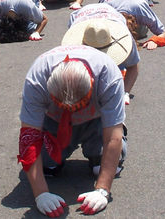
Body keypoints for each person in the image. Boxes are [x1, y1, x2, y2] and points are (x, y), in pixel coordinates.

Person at [17, 45, 126, 217]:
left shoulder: (109, 77)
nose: (73, 111)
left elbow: (113, 137)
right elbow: (29, 137)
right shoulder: (36, 79)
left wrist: (103, 189)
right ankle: (55, 157)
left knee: (106, 165)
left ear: (91, 83)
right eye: (62, 105)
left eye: (79, 105)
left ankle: (95, 155)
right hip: (54, 121)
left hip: (95, 121)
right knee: (47, 167)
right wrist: (41, 194)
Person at [64, 3, 140, 105]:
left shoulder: (125, 35)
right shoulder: (75, 28)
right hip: (81, 16)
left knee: (115, 68)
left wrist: (125, 93)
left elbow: (133, 66)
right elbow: (70, 67)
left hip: (111, 15)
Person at [99, 0, 165, 48]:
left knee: (141, 33)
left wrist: (154, 40)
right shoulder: (106, 9)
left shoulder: (141, 10)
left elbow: (164, 33)